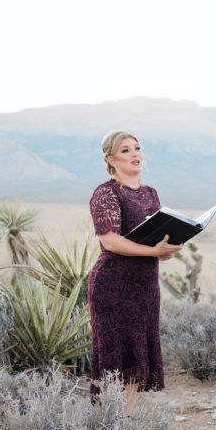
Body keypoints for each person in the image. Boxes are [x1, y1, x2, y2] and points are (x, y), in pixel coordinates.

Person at [87, 130, 181, 415]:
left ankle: (123, 423)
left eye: (137, 148)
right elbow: (110, 239)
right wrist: (154, 252)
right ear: (111, 160)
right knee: (114, 358)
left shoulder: (151, 194)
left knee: (134, 358)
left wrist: (168, 244)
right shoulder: (106, 192)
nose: (135, 154)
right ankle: (109, 426)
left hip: (145, 287)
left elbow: (153, 237)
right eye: (125, 150)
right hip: (113, 287)